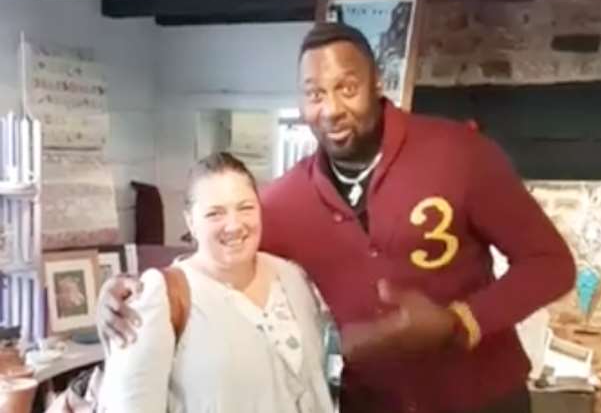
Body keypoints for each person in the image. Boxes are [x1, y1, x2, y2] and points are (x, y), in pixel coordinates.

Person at [98, 23, 575, 413]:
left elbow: (551, 263)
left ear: (376, 83)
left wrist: (461, 322)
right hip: (370, 405)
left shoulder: (461, 153)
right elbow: (224, 251)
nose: (331, 109)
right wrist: (133, 293)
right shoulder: (284, 201)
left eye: (346, 87)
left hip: (483, 400)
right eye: (314, 93)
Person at [99, 152, 335, 413]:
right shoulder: (162, 296)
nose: (233, 226)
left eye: (245, 207)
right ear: (191, 221)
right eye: (215, 214)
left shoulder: (292, 278)